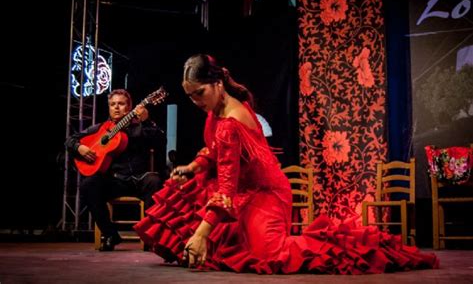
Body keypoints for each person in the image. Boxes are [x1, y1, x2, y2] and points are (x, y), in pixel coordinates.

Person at [134, 54, 439, 274]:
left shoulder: (230, 119)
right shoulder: (217, 110)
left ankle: (358, 248)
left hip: (266, 193)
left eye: (199, 93)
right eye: (190, 97)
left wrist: (201, 234)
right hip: (242, 189)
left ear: (217, 83)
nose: (196, 102)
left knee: (272, 256)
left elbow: (227, 186)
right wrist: (193, 166)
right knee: (187, 199)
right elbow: (215, 152)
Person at [65, 89, 165, 251]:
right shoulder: (100, 128)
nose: (116, 107)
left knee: (154, 180)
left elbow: (160, 140)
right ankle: (110, 234)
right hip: (115, 180)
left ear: (130, 107)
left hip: (139, 179)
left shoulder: (141, 127)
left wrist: (146, 121)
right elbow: (70, 141)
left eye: (121, 104)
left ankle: (149, 235)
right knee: (87, 185)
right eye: (113, 104)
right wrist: (79, 147)